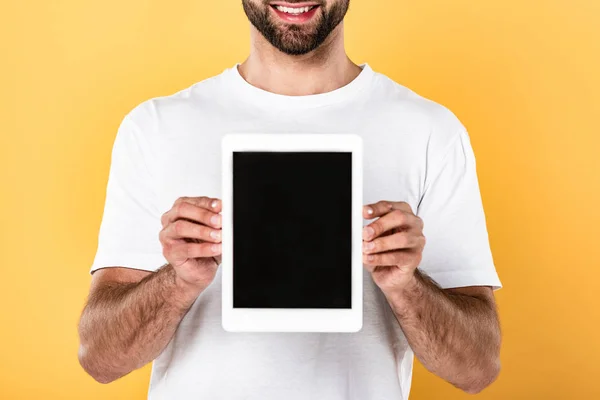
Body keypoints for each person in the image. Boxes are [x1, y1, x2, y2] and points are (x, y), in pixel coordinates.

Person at [77, 1, 503, 399]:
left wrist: (406, 286)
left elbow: (477, 368)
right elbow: (100, 359)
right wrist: (179, 281)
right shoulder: (155, 127)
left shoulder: (430, 131)